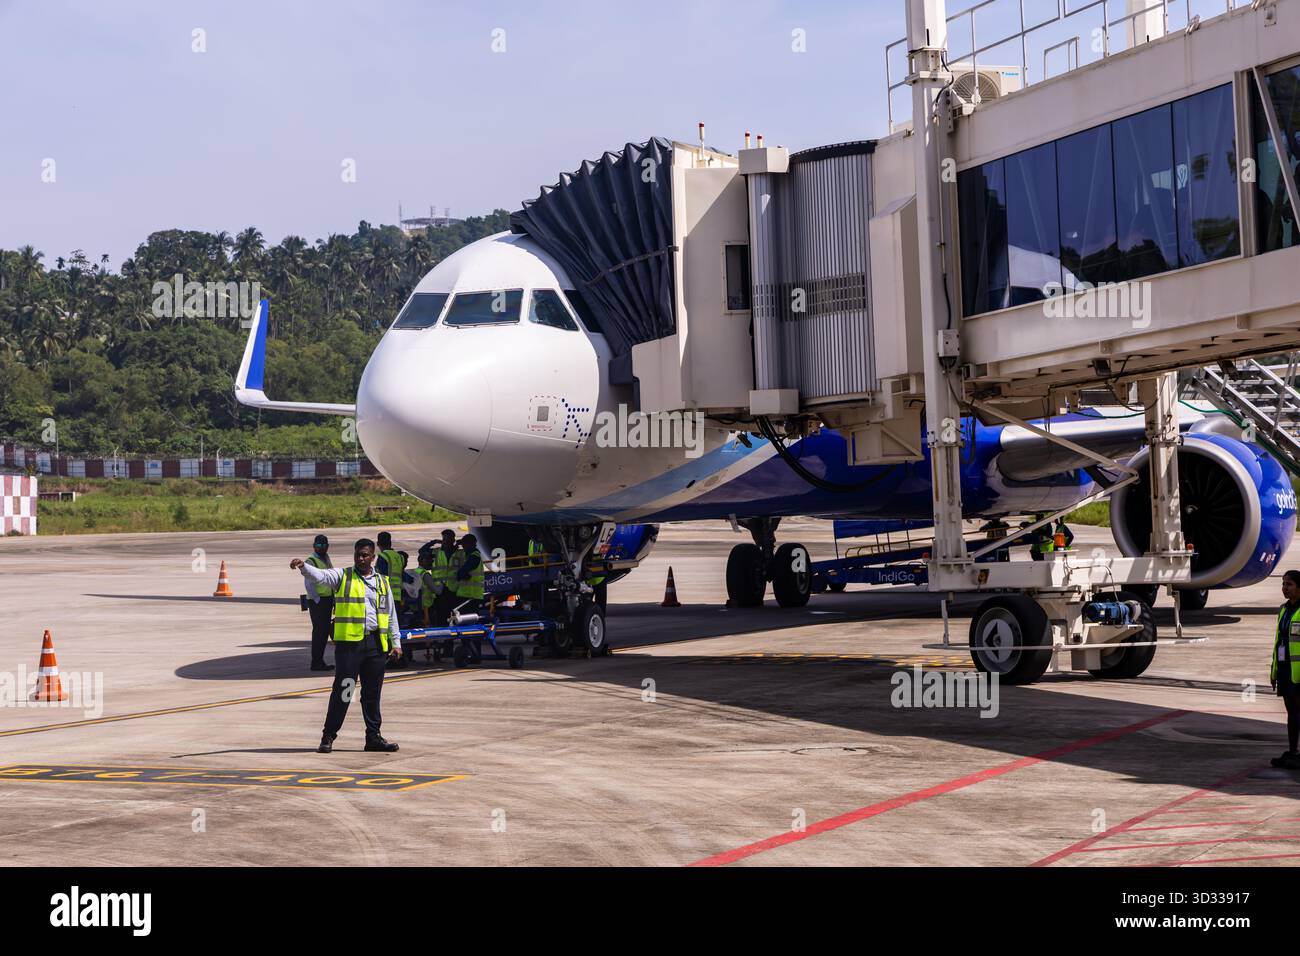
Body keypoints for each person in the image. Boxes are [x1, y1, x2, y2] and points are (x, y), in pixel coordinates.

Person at [291, 538, 401, 754]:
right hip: (350, 646)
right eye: (358, 554)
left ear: (373, 557)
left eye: (365, 555)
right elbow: (321, 576)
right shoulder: (343, 576)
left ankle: (373, 737)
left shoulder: (382, 582)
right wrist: (304, 567)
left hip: (375, 645)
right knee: (344, 691)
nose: (360, 558)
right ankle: (328, 735)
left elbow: (390, 615)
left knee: (372, 694)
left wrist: (396, 642)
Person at [1271, 569, 1300, 769]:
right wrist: (1274, 671)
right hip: (1285, 668)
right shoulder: (1284, 609)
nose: (1284, 588)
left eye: (1289, 584)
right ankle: (1292, 751)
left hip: (1299, 673)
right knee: (1292, 712)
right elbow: (1277, 642)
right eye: (1283, 584)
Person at [303, 534, 335, 671]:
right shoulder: (311, 561)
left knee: (323, 632)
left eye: (323, 545)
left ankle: (319, 661)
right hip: (318, 601)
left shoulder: (326, 558)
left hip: (327, 600)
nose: (321, 548)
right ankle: (316, 662)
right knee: (319, 632)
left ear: (327, 547)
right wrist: (316, 599)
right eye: (318, 545)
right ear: (314, 546)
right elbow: (308, 584)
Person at [451, 533, 486, 617]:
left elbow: (461, 573)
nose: (463, 547)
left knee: (466, 618)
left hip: (469, 595)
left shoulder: (474, 557)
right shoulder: (470, 555)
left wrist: (460, 576)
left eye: (465, 544)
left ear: (471, 544)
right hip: (470, 594)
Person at [432, 529, 460, 626]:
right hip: (440, 589)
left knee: (456, 614)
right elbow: (421, 551)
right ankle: (445, 639)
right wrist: (434, 542)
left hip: (454, 588)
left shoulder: (459, 553)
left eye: (448, 539)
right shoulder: (436, 552)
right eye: (444, 539)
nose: (445, 541)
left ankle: (453, 637)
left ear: (453, 540)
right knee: (442, 615)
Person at [376, 531, 406, 602]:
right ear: (390, 543)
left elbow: (381, 577)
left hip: (386, 594)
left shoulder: (383, 556)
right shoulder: (400, 557)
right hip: (398, 594)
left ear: (378, 544)